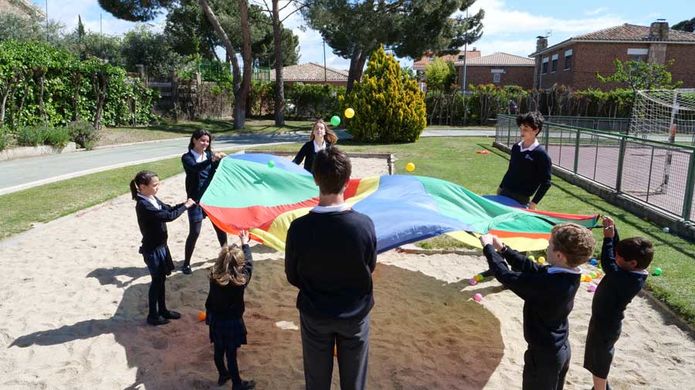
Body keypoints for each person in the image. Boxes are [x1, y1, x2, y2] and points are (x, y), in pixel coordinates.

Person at [285, 147, 377, 390]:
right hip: (355, 315)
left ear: (315, 179)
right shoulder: (364, 225)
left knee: (316, 382)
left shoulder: (299, 228)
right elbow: (370, 266)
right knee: (354, 382)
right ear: (347, 182)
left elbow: (292, 276)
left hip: (315, 314)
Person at [479, 223, 596, 390]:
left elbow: (505, 275)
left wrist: (488, 248)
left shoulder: (549, 285)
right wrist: (503, 249)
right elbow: (533, 268)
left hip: (544, 358)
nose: (546, 247)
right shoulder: (566, 273)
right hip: (559, 348)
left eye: (549, 244)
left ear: (559, 255)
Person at [583, 216, 653, 390]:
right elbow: (618, 255)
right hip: (603, 322)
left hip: (606, 326)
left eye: (618, 257)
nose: (615, 257)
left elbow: (607, 263)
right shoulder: (632, 270)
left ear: (632, 263)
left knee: (599, 361)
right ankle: (601, 387)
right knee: (596, 357)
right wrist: (613, 233)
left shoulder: (628, 280)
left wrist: (608, 239)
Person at [130, 170, 195, 326]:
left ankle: (163, 310)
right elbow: (167, 217)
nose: (158, 187)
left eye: (158, 183)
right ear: (142, 187)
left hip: (161, 247)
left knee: (161, 280)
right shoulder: (143, 204)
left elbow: (168, 209)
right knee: (156, 281)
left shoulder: (151, 198)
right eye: (155, 185)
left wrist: (185, 203)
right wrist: (185, 206)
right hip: (152, 250)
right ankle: (153, 315)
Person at [205, 230, 256, 390]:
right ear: (238, 266)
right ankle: (236, 383)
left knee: (219, 350)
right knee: (231, 354)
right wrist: (245, 243)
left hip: (215, 318)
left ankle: (223, 373)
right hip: (231, 321)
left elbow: (241, 263)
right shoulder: (240, 281)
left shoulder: (214, 275)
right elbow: (249, 264)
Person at [181, 129, 228, 275]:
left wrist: (221, 161)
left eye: (207, 141)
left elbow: (214, 171)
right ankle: (187, 263)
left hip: (211, 198)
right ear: (194, 140)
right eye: (202, 140)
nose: (205, 144)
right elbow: (195, 168)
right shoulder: (187, 157)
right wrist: (211, 159)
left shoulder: (208, 155)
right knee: (194, 232)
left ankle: (226, 257)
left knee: (220, 228)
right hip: (194, 200)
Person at [497, 111, 552, 210]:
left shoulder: (541, 154)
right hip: (504, 192)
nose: (522, 132)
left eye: (526, 129)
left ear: (536, 130)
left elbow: (546, 183)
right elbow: (511, 169)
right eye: (521, 128)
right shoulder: (516, 147)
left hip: (521, 200)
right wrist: (501, 187)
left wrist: (534, 203)